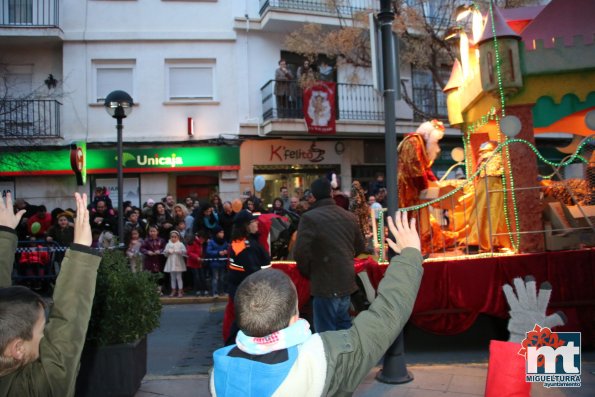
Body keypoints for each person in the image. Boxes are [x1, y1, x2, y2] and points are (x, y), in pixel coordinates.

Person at [210, 211, 423, 396]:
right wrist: (410, 254)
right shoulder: (325, 359)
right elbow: (384, 318)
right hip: (342, 286)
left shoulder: (219, 375)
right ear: (294, 317)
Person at [0, 192, 101, 396]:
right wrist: (82, 251)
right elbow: (68, 323)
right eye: (41, 332)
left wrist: (5, 233)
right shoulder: (39, 386)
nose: (45, 336)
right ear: (18, 348)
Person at [294, 177, 366, 333]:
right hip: (346, 280)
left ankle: (332, 357)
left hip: (324, 282)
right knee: (344, 328)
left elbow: (300, 253)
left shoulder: (309, 218)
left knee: (326, 333)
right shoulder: (349, 216)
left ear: (313, 195)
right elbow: (360, 246)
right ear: (331, 193)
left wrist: (310, 271)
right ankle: (346, 357)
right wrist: (344, 256)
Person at [397, 119, 457, 255]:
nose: (436, 144)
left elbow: (425, 169)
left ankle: (422, 240)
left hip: (415, 189)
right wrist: (427, 188)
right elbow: (416, 169)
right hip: (410, 189)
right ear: (430, 136)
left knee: (421, 215)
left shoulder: (420, 144)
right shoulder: (413, 142)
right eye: (436, 141)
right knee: (415, 216)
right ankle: (417, 243)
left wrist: (435, 184)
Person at [224, 210, 271, 343]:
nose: (257, 223)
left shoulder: (245, 242)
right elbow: (253, 271)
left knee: (243, 322)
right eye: (253, 222)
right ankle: (231, 347)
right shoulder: (245, 246)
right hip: (248, 290)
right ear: (245, 226)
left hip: (243, 289)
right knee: (244, 322)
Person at [206, 226, 229, 297]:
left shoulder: (224, 242)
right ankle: (215, 292)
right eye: (220, 232)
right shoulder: (211, 242)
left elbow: (228, 249)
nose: (222, 234)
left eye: (223, 232)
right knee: (215, 278)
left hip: (222, 263)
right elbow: (208, 251)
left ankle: (222, 291)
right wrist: (218, 253)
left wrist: (226, 251)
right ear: (216, 233)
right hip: (214, 263)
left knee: (222, 278)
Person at [163, 230, 187, 297]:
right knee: (172, 277)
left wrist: (180, 252)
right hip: (171, 262)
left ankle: (180, 291)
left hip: (178, 261)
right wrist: (168, 252)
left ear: (178, 237)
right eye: (172, 237)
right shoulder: (168, 244)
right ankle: (173, 290)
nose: (173, 238)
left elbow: (185, 252)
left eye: (175, 237)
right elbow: (165, 253)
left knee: (179, 277)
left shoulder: (180, 244)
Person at [187, 231, 208, 296]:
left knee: (202, 276)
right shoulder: (193, 242)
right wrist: (197, 257)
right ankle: (197, 290)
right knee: (197, 277)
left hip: (200, 263)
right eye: (203, 239)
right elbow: (189, 252)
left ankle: (204, 290)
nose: (204, 241)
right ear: (200, 237)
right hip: (193, 263)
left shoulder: (201, 243)